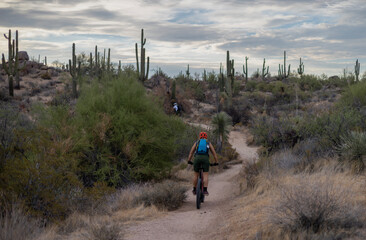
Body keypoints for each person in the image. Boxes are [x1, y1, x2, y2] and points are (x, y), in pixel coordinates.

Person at [187, 131, 219, 196]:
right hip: (205, 159)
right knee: (205, 175)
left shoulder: (197, 142)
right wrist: (216, 162)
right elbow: (214, 154)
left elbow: (191, 153)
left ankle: (194, 189)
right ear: (206, 137)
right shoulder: (208, 143)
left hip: (197, 158)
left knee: (196, 175)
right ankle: (205, 190)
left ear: (199, 136)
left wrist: (189, 160)